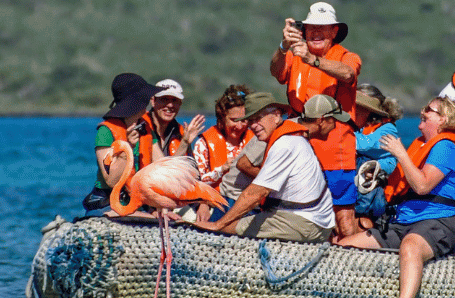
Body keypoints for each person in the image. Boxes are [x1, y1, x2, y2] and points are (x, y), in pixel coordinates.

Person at [336, 97, 455, 298]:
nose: (422, 116)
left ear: (443, 119)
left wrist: (400, 153)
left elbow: (422, 185)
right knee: (344, 246)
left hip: (436, 222)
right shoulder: (420, 144)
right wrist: (378, 175)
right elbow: (404, 185)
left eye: (428, 112)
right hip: (402, 221)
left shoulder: (446, 147)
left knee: (411, 245)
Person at [271, 2, 362, 237]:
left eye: (323, 28)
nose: (316, 33)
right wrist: (283, 46)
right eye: (311, 28)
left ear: (334, 32)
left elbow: (348, 73)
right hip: (299, 140)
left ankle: (355, 264)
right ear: (303, 31)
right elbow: (276, 71)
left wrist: (313, 59)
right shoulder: (294, 54)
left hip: (335, 146)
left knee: (342, 216)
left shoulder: (348, 56)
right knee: (299, 208)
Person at [203, 91, 335, 242]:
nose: (253, 126)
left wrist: (217, 225)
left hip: (303, 221)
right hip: (314, 220)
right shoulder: (293, 137)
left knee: (223, 231)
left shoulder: (285, 143)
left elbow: (255, 193)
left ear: (277, 115)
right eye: (251, 121)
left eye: (258, 118)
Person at [86, 72, 160, 212]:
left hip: (139, 200)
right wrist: (128, 148)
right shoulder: (105, 132)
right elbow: (112, 180)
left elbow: (162, 166)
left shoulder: (146, 127)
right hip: (109, 201)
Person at [190, 83, 251, 219]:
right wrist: (222, 169)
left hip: (248, 203)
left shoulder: (256, 141)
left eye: (244, 120)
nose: (239, 126)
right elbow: (196, 183)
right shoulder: (203, 144)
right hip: (215, 202)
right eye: (234, 120)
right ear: (222, 117)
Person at [351, 83, 402, 227]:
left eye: (362, 107)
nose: (356, 110)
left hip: (374, 192)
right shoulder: (358, 128)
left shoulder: (388, 129)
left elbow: (366, 145)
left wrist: (339, 132)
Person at [142, 79, 206, 160]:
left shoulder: (183, 134)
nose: (170, 105)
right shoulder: (140, 127)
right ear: (153, 101)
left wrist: (185, 143)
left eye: (174, 100)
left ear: (180, 103)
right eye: (164, 99)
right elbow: (164, 168)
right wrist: (184, 144)